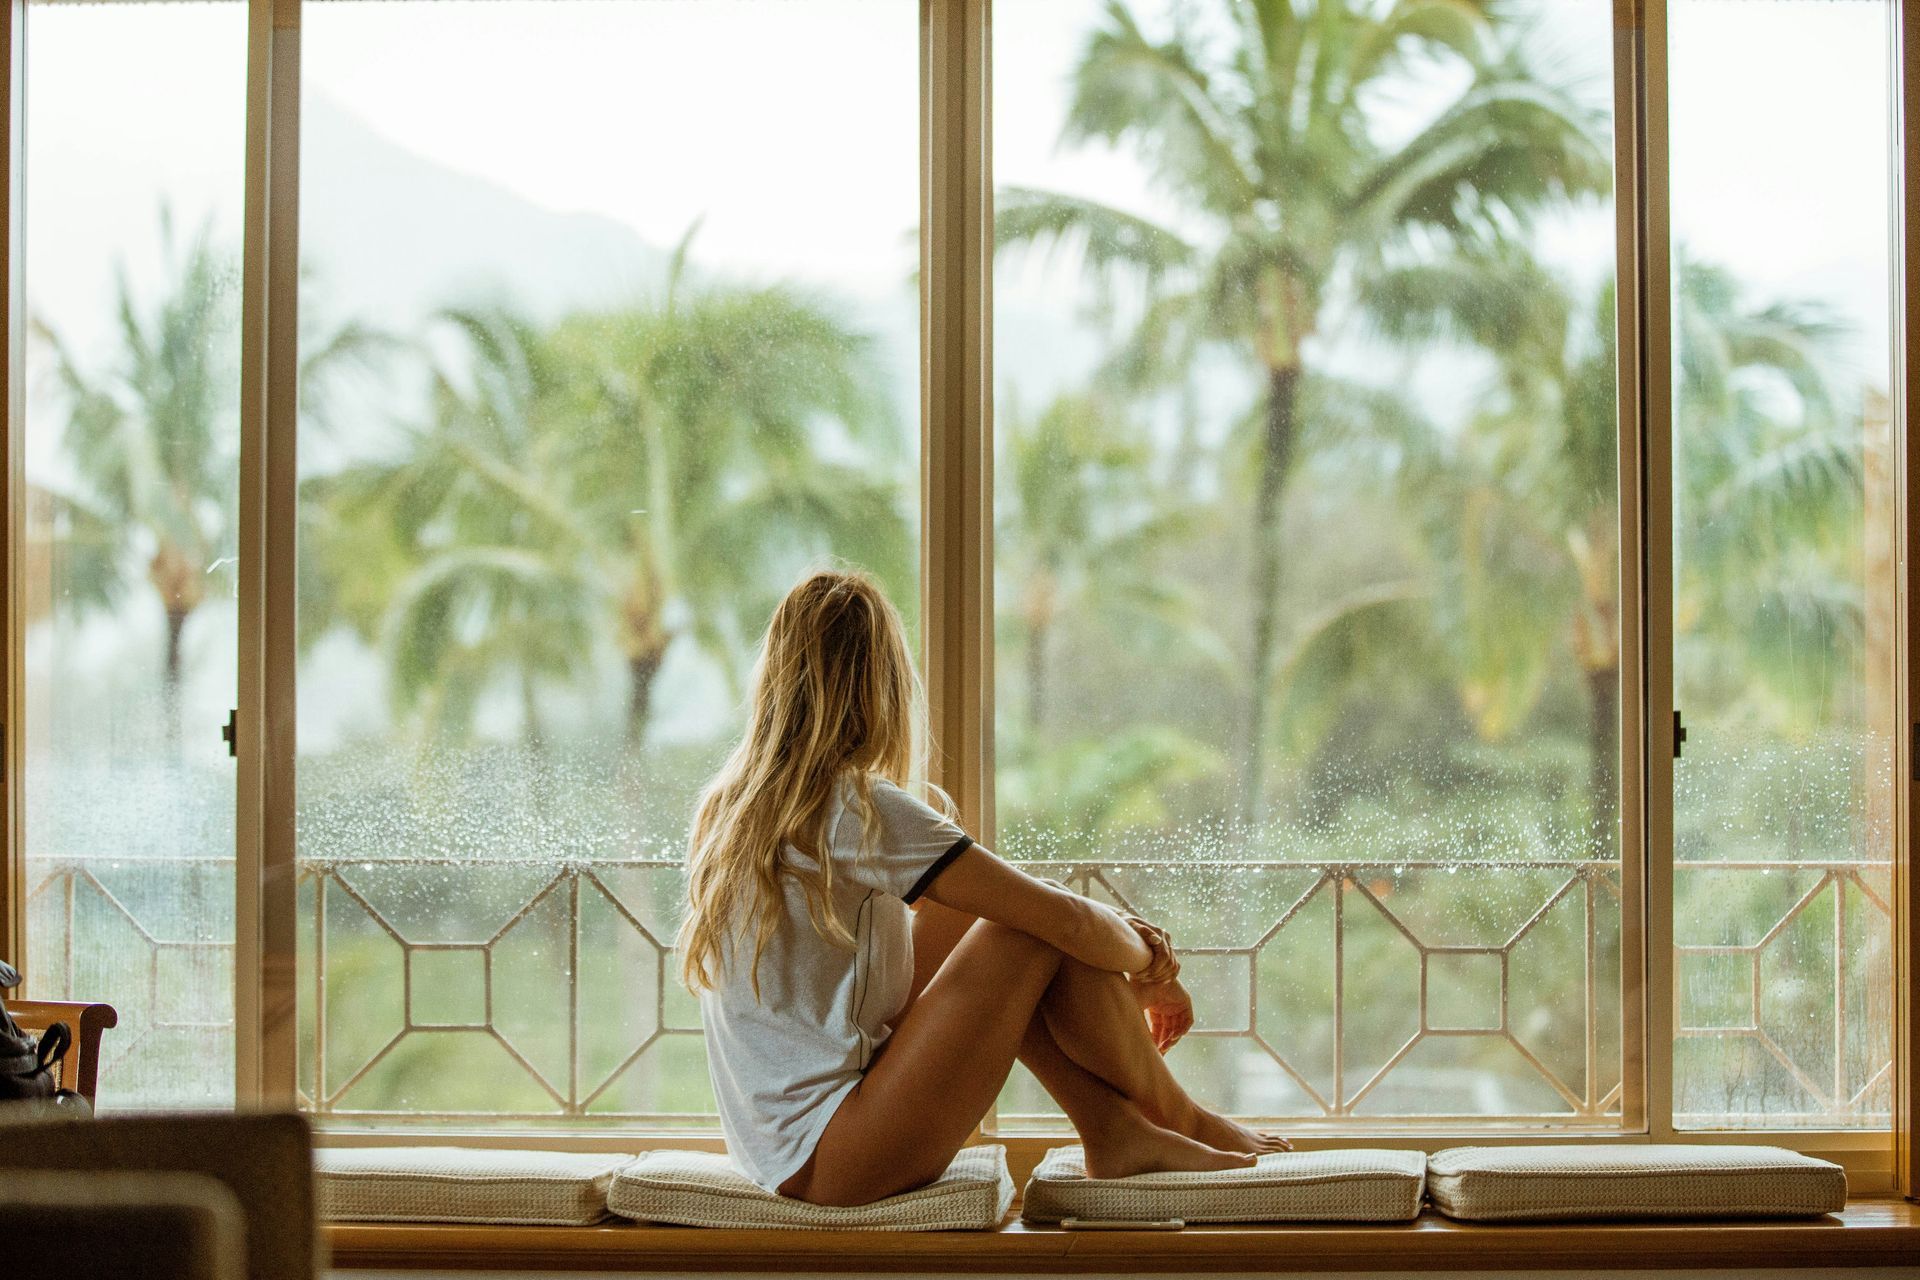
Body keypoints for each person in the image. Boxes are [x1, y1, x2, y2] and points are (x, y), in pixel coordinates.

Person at [678, 568, 1290, 1208]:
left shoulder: (732, 807)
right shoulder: (854, 807)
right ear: (885, 685)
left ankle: (1116, 1133)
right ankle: (1182, 1119)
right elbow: (1066, 923)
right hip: (836, 1160)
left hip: (779, 1151)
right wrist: (1155, 967)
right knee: (1027, 926)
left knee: (984, 918)